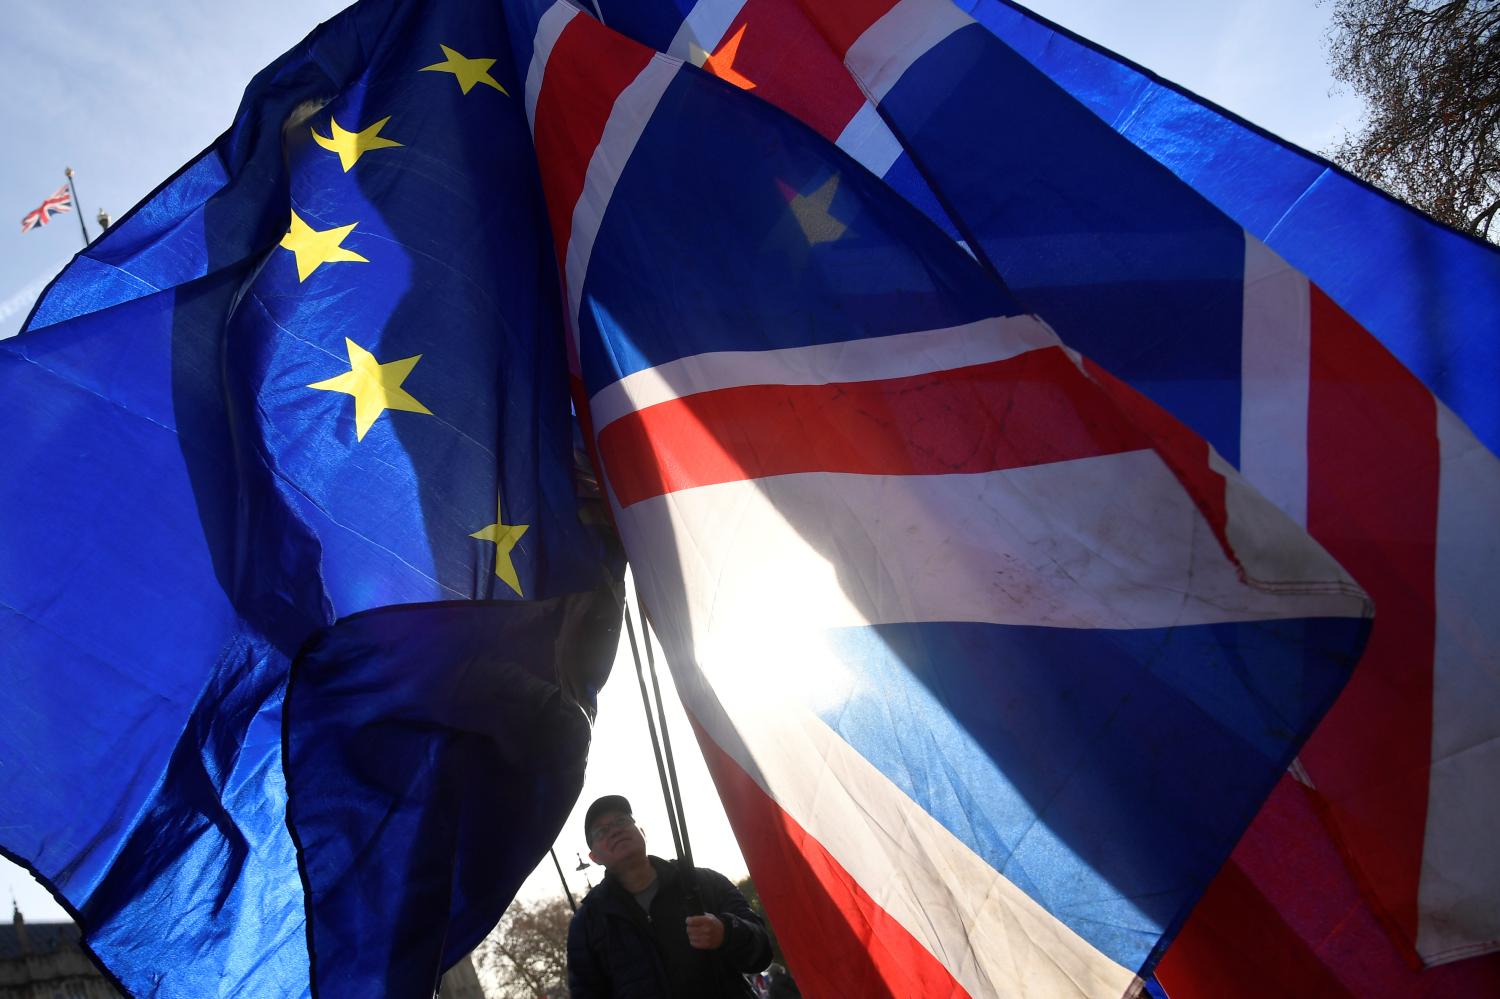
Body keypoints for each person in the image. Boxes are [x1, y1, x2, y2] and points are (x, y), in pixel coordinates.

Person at [567, 794, 772, 998]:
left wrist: (726, 932)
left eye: (622, 820)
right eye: (601, 831)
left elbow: (762, 952)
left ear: (642, 832)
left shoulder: (705, 882)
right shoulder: (587, 923)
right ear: (594, 858)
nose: (615, 830)